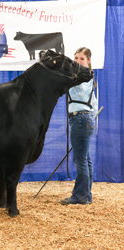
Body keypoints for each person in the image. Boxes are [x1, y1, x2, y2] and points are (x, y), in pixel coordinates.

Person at [60, 47, 98, 205]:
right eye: (75, 58)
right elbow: (94, 103)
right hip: (86, 118)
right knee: (86, 159)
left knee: (80, 160)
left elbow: (80, 91)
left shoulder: (81, 78)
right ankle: (86, 194)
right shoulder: (89, 78)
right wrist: (91, 118)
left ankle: (80, 196)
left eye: (81, 59)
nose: (77, 61)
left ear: (88, 61)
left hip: (80, 119)